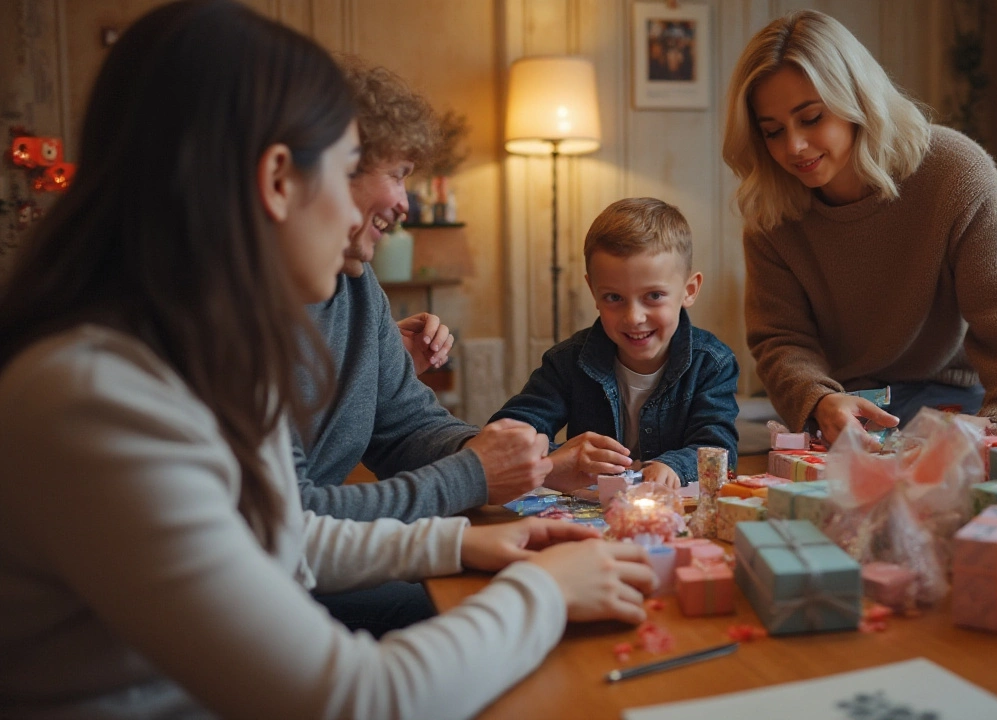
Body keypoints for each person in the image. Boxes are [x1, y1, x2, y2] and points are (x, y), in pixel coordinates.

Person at [0, 3, 654, 718]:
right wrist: (546, 590)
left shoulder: (207, 352)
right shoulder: (97, 397)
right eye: (347, 170)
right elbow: (353, 698)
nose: (357, 216)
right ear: (278, 179)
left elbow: (287, 539)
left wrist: (469, 545)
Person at [721, 10, 997, 447]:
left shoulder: (955, 173)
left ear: (858, 100)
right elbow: (781, 340)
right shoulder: (771, 210)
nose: (794, 147)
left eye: (812, 118)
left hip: (958, 396)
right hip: (847, 403)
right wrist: (816, 400)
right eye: (773, 131)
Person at [294, 59, 550, 636]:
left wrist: (515, 457)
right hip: (288, 581)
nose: (407, 204)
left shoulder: (357, 286)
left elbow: (406, 428)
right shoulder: (242, 322)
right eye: (399, 174)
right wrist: (475, 473)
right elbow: (295, 525)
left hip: (315, 561)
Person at [492, 197, 739, 490]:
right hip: (585, 513)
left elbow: (719, 450)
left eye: (654, 296)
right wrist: (559, 456)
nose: (634, 318)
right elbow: (512, 430)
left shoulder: (712, 362)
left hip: (673, 513)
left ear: (689, 290)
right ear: (593, 292)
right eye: (614, 298)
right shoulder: (567, 361)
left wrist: (674, 465)